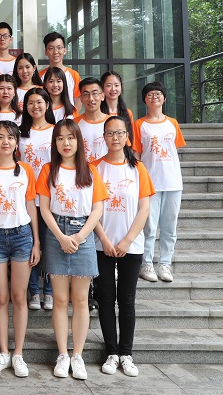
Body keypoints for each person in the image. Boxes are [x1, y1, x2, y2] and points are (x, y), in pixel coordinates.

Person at [37, 119, 107, 380]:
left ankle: (77, 355)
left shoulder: (90, 171)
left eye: (70, 137)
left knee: (80, 299)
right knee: (59, 299)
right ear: (54, 143)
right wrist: (61, 237)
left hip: (83, 235)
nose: (66, 143)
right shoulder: (48, 170)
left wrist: (78, 236)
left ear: (79, 140)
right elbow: (44, 209)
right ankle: (62, 354)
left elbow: (97, 209)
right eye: (60, 138)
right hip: (56, 233)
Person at [93, 116, 154, 378]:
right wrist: (105, 240)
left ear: (127, 136)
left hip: (132, 245)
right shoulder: (95, 168)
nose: (115, 138)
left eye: (119, 133)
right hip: (101, 245)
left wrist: (127, 240)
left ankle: (126, 353)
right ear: (103, 137)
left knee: (127, 300)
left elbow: (144, 208)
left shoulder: (138, 168)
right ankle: (112, 352)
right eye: (110, 133)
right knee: (105, 299)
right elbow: (91, 210)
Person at [0, 121, 40, 378]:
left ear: (16, 142)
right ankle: (3, 352)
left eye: (11, 137)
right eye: (1, 137)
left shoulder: (25, 170)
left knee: (19, 297)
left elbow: (31, 206)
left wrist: (36, 242)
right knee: (1, 298)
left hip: (21, 236)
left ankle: (18, 354)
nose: (6, 142)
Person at [132, 82, 186, 283]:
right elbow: (136, 154)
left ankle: (165, 263)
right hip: (150, 183)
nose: (154, 97)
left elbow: (174, 149)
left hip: (173, 182)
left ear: (164, 98)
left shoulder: (172, 123)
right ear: (144, 100)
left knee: (169, 227)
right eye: (150, 94)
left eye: (158, 94)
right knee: (148, 226)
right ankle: (146, 263)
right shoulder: (139, 124)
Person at [18, 87, 56, 311]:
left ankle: (48, 291)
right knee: (30, 244)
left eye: (39, 102)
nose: (35, 106)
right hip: (26, 197)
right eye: (30, 102)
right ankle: (33, 290)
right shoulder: (20, 132)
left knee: (49, 245)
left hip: (50, 196)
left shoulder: (55, 131)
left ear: (47, 105)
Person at [39, 32, 82, 111]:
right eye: (51, 48)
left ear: (64, 50)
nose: (55, 52)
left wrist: (72, 117)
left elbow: (78, 102)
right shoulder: (40, 76)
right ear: (46, 52)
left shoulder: (74, 75)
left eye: (59, 47)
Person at [75, 77, 110, 164]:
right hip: (82, 171)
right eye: (86, 94)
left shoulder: (113, 123)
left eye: (95, 94)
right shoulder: (73, 125)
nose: (91, 99)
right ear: (81, 98)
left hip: (106, 171)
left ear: (102, 96)